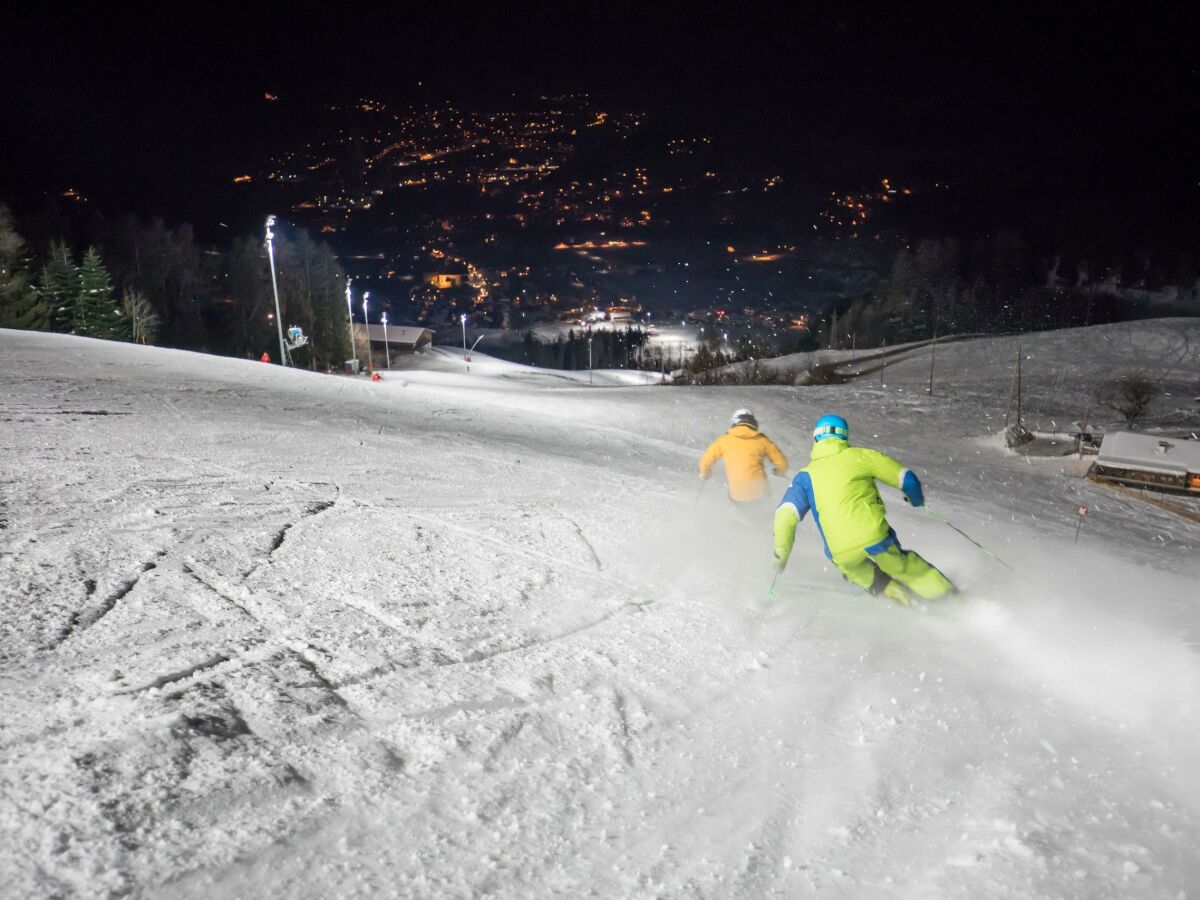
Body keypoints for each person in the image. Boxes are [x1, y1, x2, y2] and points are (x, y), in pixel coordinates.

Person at [772, 414, 955, 604]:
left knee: (856, 570)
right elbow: (906, 479)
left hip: (839, 551)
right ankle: (948, 598)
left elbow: (784, 516)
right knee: (899, 564)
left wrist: (781, 555)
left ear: (815, 439)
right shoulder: (861, 457)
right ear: (844, 437)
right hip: (872, 534)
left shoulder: (804, 477)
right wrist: (915, 499)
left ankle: (896, 595)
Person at [699, 409, 789, 515]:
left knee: (736, 498)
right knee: (766, 513)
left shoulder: (724, 441)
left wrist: (705, 474)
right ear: (753, 423)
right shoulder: (762, 440)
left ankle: (743, 521)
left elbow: (705, 462)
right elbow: (782, 464)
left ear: (734, 423)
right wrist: (779, 472)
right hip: (760, 493)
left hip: (738, 496)